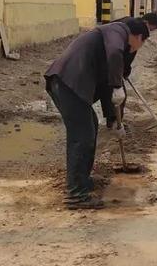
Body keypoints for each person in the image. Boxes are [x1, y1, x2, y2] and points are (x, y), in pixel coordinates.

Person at [44, 18, 150, 209]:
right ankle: (76, 195)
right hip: (67, 83)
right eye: (140, 45)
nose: (135, 50)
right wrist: (118, 85)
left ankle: (82, 181)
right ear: (139, 37)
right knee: (82, 137)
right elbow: (116, 56)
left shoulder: (112, 44)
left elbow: (107, 89)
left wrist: (114, 122)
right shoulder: (117, 33)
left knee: (90, 127)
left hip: (69, 85)